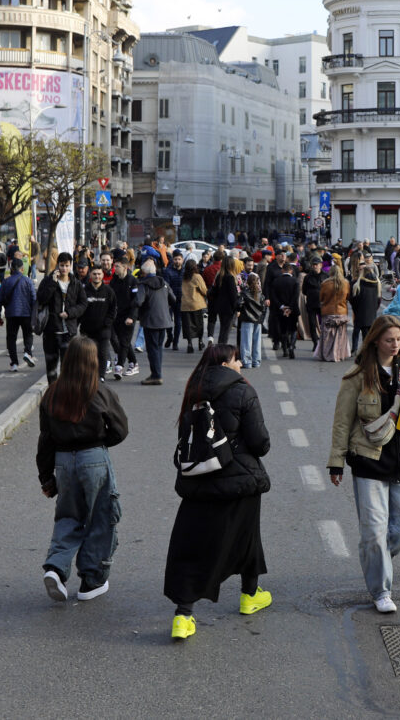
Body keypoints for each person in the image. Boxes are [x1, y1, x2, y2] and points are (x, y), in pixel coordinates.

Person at [327, 316, 400, 615]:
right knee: (374, 531)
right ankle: (381, 590)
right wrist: (336, 462)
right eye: (389, 339)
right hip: (369, 461)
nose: (395, 344)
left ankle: (375, 555)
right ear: (375, 340)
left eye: (399, 339)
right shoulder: (358, 375)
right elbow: (342, 421)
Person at [165, 343, 272, 641]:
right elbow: (260, 442)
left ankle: (183, 616)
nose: (240, 364)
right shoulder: (242, 391)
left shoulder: (193, 390)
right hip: (239, 482)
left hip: (198, 481)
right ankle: (249, 596)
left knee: (192, 548)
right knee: (247, 537)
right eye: (237, 359)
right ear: (226, 363)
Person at [37, 336, 128, 603]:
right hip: (94, 458)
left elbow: (46, 439)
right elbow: (121, 430)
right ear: (93, 361)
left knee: (68, 516)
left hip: (64, 461)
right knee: (101, 516)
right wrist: (99, 444)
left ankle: (55, 568)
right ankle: (92, 579)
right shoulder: (100, 392)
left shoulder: (52, 392)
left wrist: (46, 478)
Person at [37, 253, 83, 380]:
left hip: (68, 331)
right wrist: (53, 283)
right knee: (51, 367)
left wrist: (70, 313)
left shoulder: (75, 283)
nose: (64, 269)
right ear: (57, 265)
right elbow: (41, 299)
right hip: (51, 330)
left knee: (67, 366)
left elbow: (83, 304)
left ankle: (65, 393)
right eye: (62, 265)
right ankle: (53, 391)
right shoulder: (48, 280)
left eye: (67, 266)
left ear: (70, 266)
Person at [137, 259, 175, 386]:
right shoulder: (164, 283)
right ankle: (157, 373)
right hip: (163, 319)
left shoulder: (144, 285)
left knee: (152, 349)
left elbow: (138, 301)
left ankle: (156, 375)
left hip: (150, 320)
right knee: (158, 348)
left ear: (144, 272)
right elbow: (173, 299)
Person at [0, 257, 37, 370]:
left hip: (11, 314)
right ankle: (27, 352)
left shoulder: (6, 282)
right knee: (28, 334)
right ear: (22, 269)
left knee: (11, 338)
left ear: (12, 269)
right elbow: (34, 299)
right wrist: (35, 314)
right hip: (26, 314)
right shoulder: (28, 281)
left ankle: (14, 363)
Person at [76, 266, 117, 373]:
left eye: (99, 274)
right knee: (87, 355)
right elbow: (79, 308)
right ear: (90, 275)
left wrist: (107, 322)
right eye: (94, 274)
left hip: (103, 330)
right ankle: (89, 375)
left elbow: (113, 309)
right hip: (87, 330)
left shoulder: (109, 291)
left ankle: (101, 376)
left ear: (102, 275)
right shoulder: (84, 291)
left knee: (102, 354)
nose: (97, 276)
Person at [266, 258, 300, 359]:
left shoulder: (276, 281)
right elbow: (295, 296)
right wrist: (290, 307)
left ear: (282, 270)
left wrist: (282, 307)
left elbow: (273, 296)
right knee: (293, 329)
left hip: (280, 310)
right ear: (291, 271)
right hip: (292, 309)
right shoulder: (295, 281)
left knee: (283, 330)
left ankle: (285, 349)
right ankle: (292, 347)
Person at [318, 265, 351, 361]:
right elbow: (348, 297)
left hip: (328, 312)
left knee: (327, 336)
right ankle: (339, 354)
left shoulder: (325, 283)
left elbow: (321, 298)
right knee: (340, 336)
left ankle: (326, 354)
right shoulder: (346, 283)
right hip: (341, 312)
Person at [350, 259, 381, 355]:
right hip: (371, 312)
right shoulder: (377, 284)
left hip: (360, 312)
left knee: (356, 331)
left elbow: (353, 300)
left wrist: (356, 310)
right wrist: (374, 309)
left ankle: (354, 348)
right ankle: (366, 349)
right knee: (368, 332)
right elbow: (378, 300)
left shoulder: (358, 284)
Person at [238, 273, 267, 369]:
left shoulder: (244, 293)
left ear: (247, 282)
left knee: (246, 341)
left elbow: (238, 304)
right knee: (257, 341)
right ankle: (256, 361)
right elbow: (263, 308)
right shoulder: (260, 294)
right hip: (257, 320)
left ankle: (247, 362)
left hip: (247, 319)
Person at [179, 259, 209, 353]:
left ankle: (189, 343)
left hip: (185, 304)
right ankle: (200, 342)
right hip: (196, 304)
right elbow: (204, 290)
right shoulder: (197, 277)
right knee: (198, 324)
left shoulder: (183, 277)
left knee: (187, 325)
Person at [210, 256, 240, 346]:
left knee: (223, 329)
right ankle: (222, 349)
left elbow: (214, 291)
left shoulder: (219, 275)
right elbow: (233, 295)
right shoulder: (230, 277)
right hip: (229, 308)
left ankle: (220, 347)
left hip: (220, 306)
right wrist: (237, 308)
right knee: (226, 330)